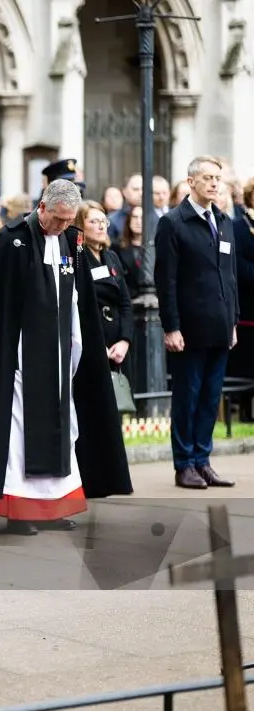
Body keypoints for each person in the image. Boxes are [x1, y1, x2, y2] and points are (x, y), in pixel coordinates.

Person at [0, 180, 132, 535]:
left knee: (64, 429)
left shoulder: (71, 240)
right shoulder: (10, 241)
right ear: (43, 207)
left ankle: (55, 504)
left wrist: (80, 346)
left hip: (62, 355)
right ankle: (20, 509)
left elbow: (79, 298)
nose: (63, 226)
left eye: (69, 220)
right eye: (58, 219)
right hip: (19, 360)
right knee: (19, 433)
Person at [157, 156, 241, 489]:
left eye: (218, 178)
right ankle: (184, 463)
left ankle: (203, 461)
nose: (214, 184)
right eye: (207, 177)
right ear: (190, 182)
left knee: (210, 397)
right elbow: (166, 281)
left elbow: (229, 276)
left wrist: (232, 321)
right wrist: (171, 326)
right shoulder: (174, 223)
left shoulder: (223, 220)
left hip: (219, 326)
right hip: (189, 329)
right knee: (187, 396)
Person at [75, 202, 133, 377]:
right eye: (93, 221)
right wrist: (97, 345)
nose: (101, 226)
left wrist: (124, 340)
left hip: (118, 345)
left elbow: (125, 303)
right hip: (92, 342)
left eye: (104, 221)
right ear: (80, 226)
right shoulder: (77, 258)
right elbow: (78, 307)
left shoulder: (111, 256)